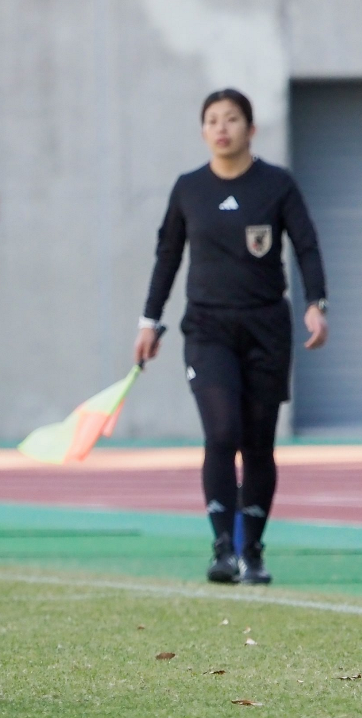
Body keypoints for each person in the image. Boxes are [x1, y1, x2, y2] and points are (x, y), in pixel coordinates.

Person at [135, 89, 328, 585]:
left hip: (266, 328)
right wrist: (149, 321)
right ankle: (223, 548)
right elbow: (167, 256)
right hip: (207, 328)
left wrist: (316, 304)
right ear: (203, 131)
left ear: (251, 128)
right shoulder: (189, 188)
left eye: (232, 119)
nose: (222, 128)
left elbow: (306, 245)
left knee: (258, 442)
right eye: (212, 120)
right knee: (222, 432)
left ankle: (252, 552)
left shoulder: (277, 184)